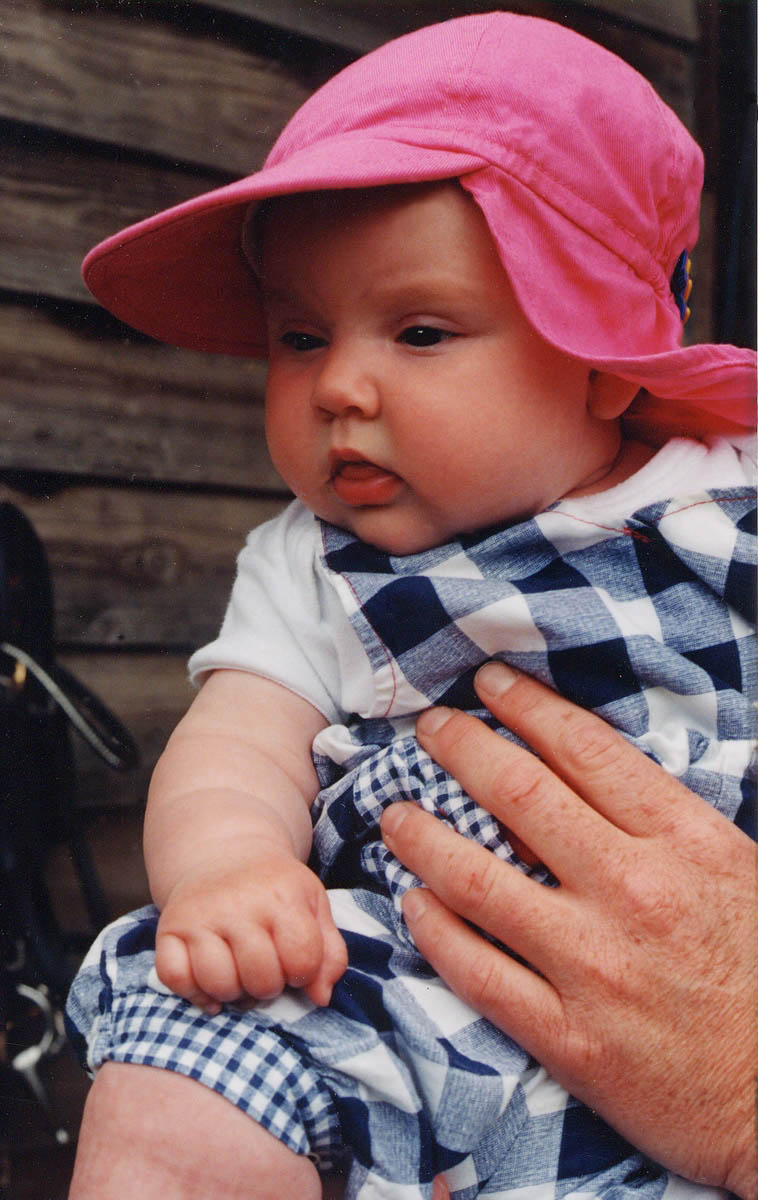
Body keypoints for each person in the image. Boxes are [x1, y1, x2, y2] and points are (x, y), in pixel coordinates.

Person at [64, 13, 756, 1200]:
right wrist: (226, 869)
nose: (337, 385)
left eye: (420, 331)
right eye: (298, 336)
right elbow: (237, 739)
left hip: (695, 1025)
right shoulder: (311, 565)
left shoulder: (726, 491)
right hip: (389, 1000)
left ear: (600, 355)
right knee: (169, 1095)